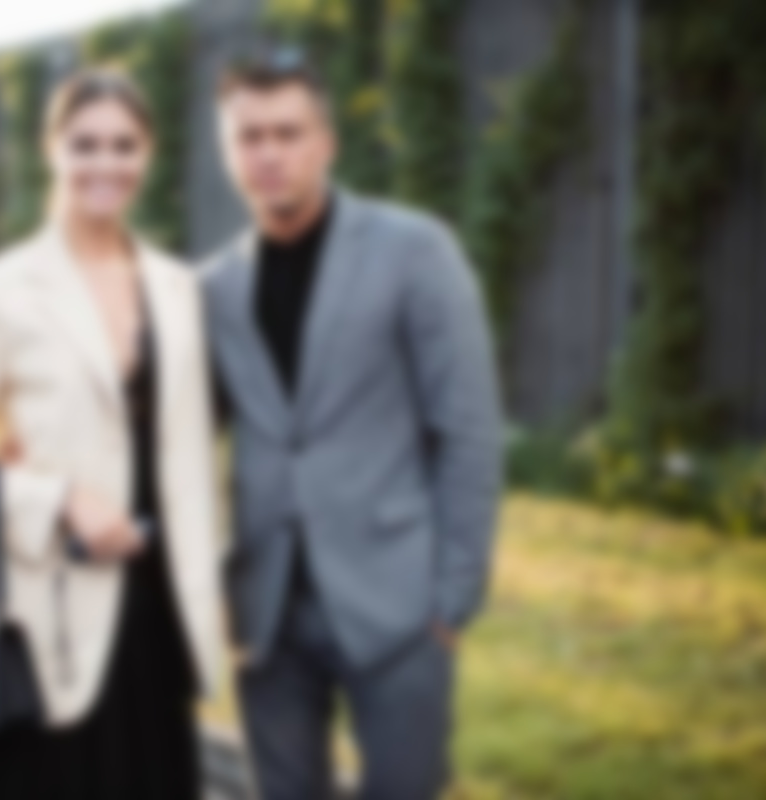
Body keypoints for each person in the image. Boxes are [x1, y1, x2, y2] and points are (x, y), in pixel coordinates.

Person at [0, 66, 223, 800]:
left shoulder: (179, 289)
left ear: (148, 154)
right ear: (51, 149)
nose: (105, 164)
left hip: (157, 617)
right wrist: (56, 499)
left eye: (124, 145)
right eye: (85, 145)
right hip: (41, 613)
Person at [199, 44, 504, 800]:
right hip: (267, 617)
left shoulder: (415, 250)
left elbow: (468, 429)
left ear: (326, 143)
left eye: (288, 132)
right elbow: (178, 440)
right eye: (250, 136)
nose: (270, 153)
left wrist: (453, 598)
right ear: (227, 151)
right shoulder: (212, 288)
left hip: (399, 607)